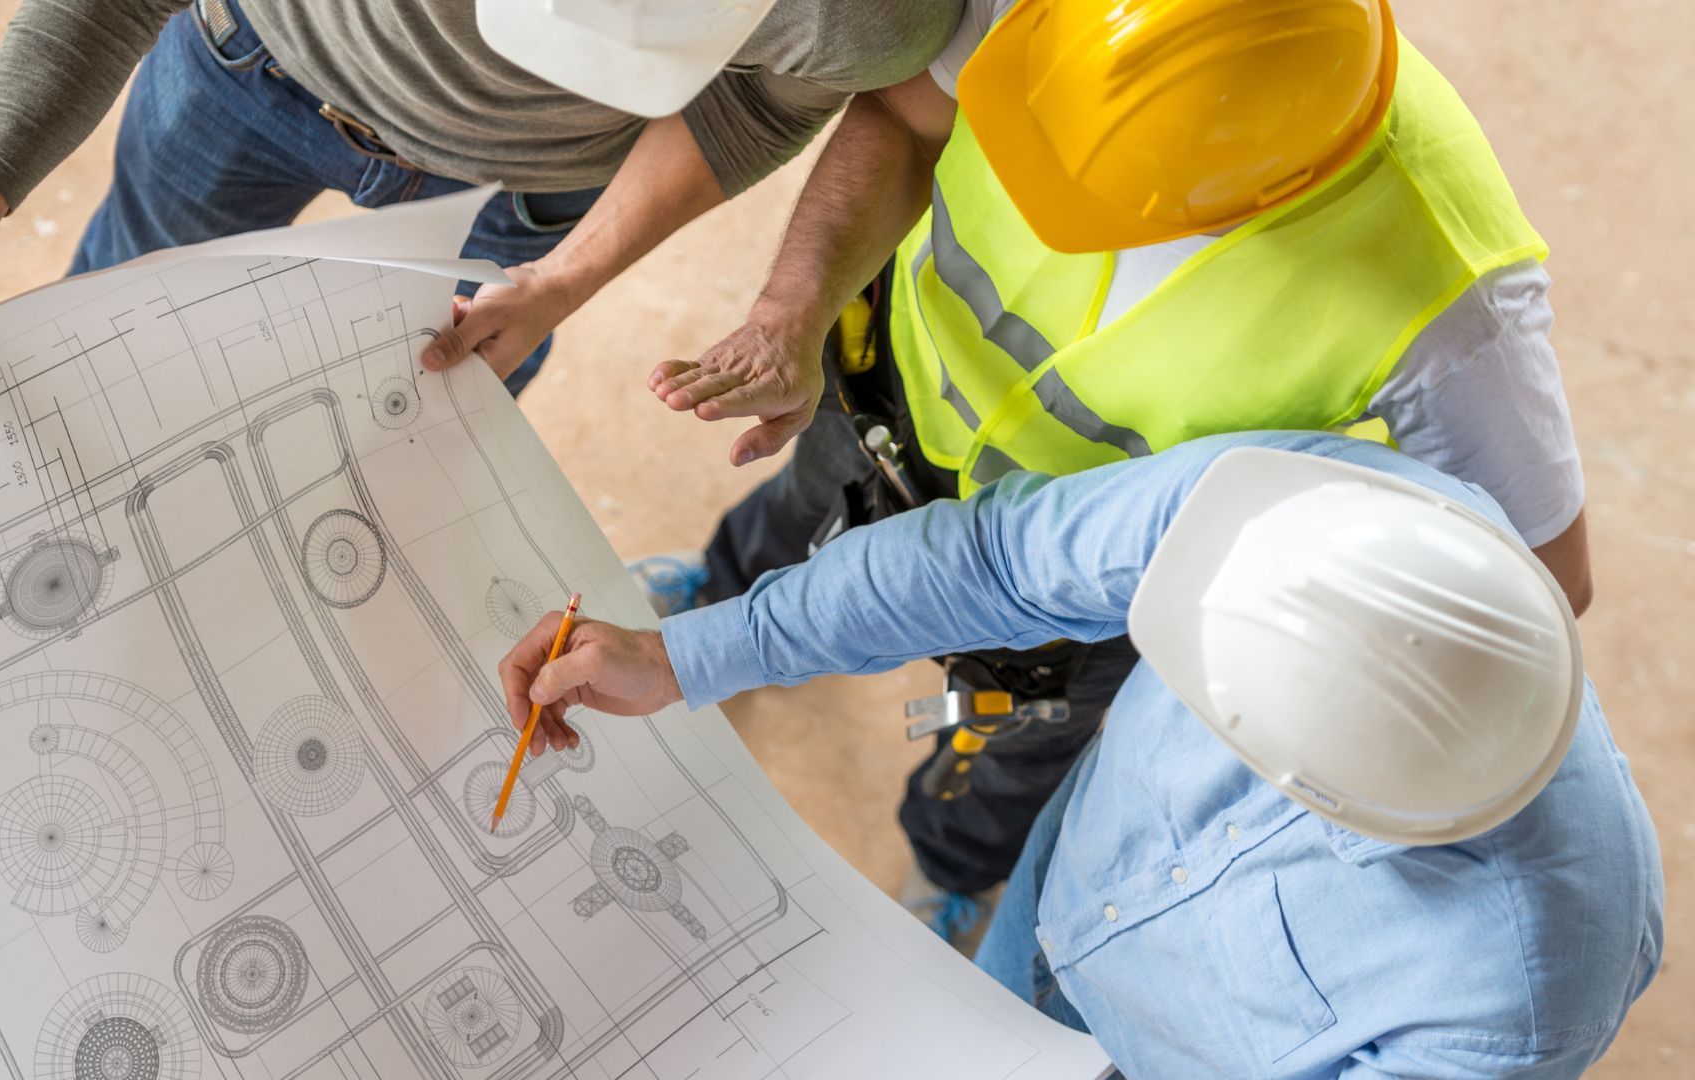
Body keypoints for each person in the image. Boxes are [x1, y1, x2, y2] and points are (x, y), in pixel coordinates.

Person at [637, 0, 1594, 939]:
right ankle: (718, 591)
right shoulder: (1062, 18)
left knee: (1004, 746)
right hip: (887, 403)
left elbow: (1540, 585)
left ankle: (953, 867)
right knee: (797, 518)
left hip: (1076, 600)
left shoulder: (1454, 309)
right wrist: (792, 311)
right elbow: (899, 113)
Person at [501, 431, 1664, 1078]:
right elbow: (993, 562)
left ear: (1334, 806)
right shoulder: (1325, 518)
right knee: (996, 988)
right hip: (1053, 898)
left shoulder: (1515, 1004)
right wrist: (699, 654)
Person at [0, 0, 960, 399]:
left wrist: (566, 278)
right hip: (253, 69)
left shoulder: (875, 9)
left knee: (431, 414)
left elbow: (755, 106)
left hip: (533, 190)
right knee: (117, 324)